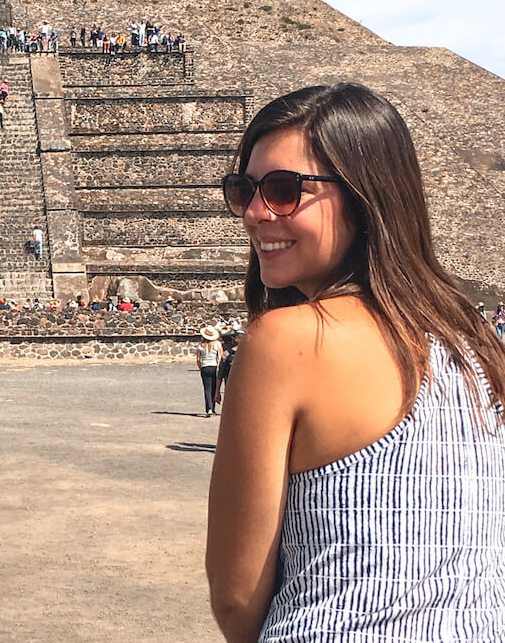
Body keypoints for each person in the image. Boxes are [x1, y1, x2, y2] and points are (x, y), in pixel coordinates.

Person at [207, 83, 505, 642]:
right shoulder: (475, 342)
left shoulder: (287, 341)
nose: (253, 212)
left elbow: (236, 593)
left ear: (366, 194)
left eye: (284, 189)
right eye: (243, 188)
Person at [196, 326, 223, 417]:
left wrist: (200, 368)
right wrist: (220, 367)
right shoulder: (217, 344)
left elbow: (198, 359)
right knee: (214, 388)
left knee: (207, 388)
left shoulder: (200, 345)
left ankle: (209, 409)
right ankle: (213, 407)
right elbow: (220, 356)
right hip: (214, 366)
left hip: (205, 367)